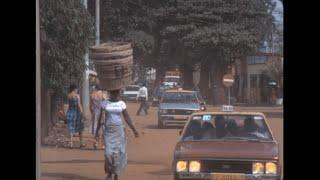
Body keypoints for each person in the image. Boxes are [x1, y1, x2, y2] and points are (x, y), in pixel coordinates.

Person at [96, 89, 139, 180]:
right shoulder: (105, 103)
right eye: (113, 93)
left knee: (119, 153)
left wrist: (134, 130)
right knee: (108, 153)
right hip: (108, 131)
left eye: (116, 93)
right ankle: (109, 172)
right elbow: (100, 119)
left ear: (118, 93)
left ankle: (116, 173)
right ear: (110, 93)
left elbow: (127, 117)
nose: (115, 94)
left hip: (119, 131)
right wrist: (97, 132)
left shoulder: (121, 104)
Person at [66, 84, 85, 149]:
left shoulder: (68, 95)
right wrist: (82, 113)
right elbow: (79, 105)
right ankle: (81, 143)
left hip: (70, 112)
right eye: (76, 89)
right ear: (74, 89)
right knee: (80, 128)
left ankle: (71, 144)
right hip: (77, 113)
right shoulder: (77, 96)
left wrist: (66, 114)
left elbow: (68, 105)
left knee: (71, 128)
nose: (77, 90)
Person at [90, 85, 104, 149]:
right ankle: (103, 144)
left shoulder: (93, 95)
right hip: (102, 112)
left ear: (96, 88)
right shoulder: (103, 95)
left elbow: (90, 106)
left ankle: (95, 143)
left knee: (95, 128)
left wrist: (92, 113)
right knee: (103, 127)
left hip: (95, 113)